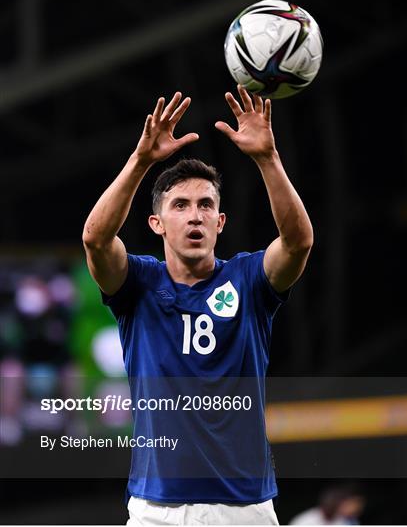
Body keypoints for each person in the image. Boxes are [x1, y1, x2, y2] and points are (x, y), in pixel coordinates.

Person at [82, 85, 313, 525]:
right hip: (156, 511)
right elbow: (95, 239)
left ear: (220, 222)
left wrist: (267, 158)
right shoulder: (138, 284)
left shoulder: (248, 278)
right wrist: (141, 161)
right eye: (180, 205)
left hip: (245, 508)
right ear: (157, 223)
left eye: (206, 205)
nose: (195, 215)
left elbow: (299, 242)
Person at [289, 484, 365, 525]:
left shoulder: (347, 521)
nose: (331, 505)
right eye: (329, 504)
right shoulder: (304, 520)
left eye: (334, 503)